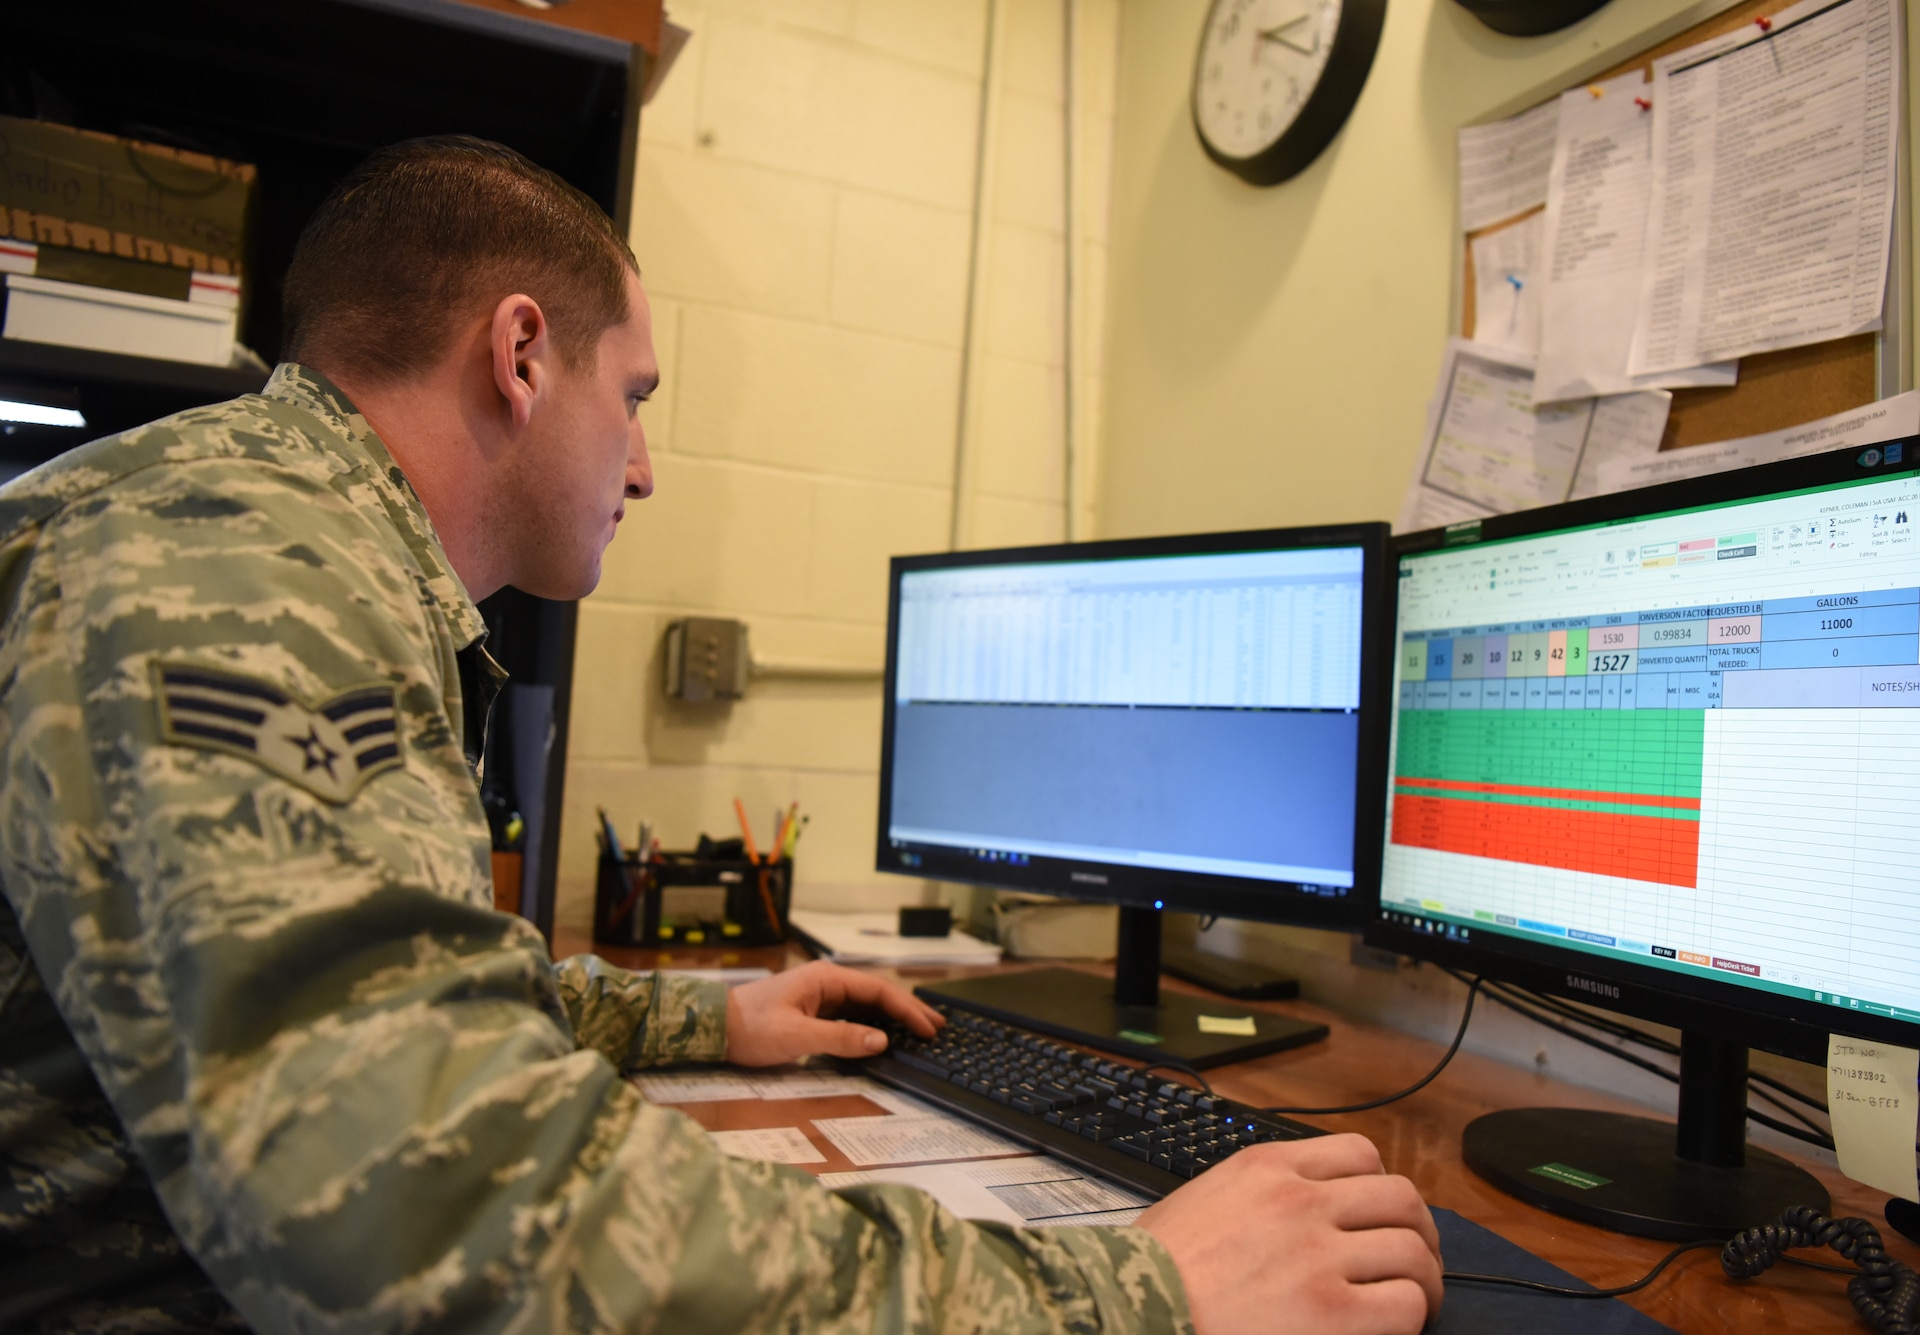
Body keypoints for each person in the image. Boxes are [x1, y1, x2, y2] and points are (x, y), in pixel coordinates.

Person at [0, 136, 1443, 1334]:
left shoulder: (266, 529)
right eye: (631, 399)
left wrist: (706, 1015)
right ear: (518, 354)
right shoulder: (251, 567)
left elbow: (378, 1002)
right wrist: (1135, 1293)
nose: (642, 465)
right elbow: (423, 1210)